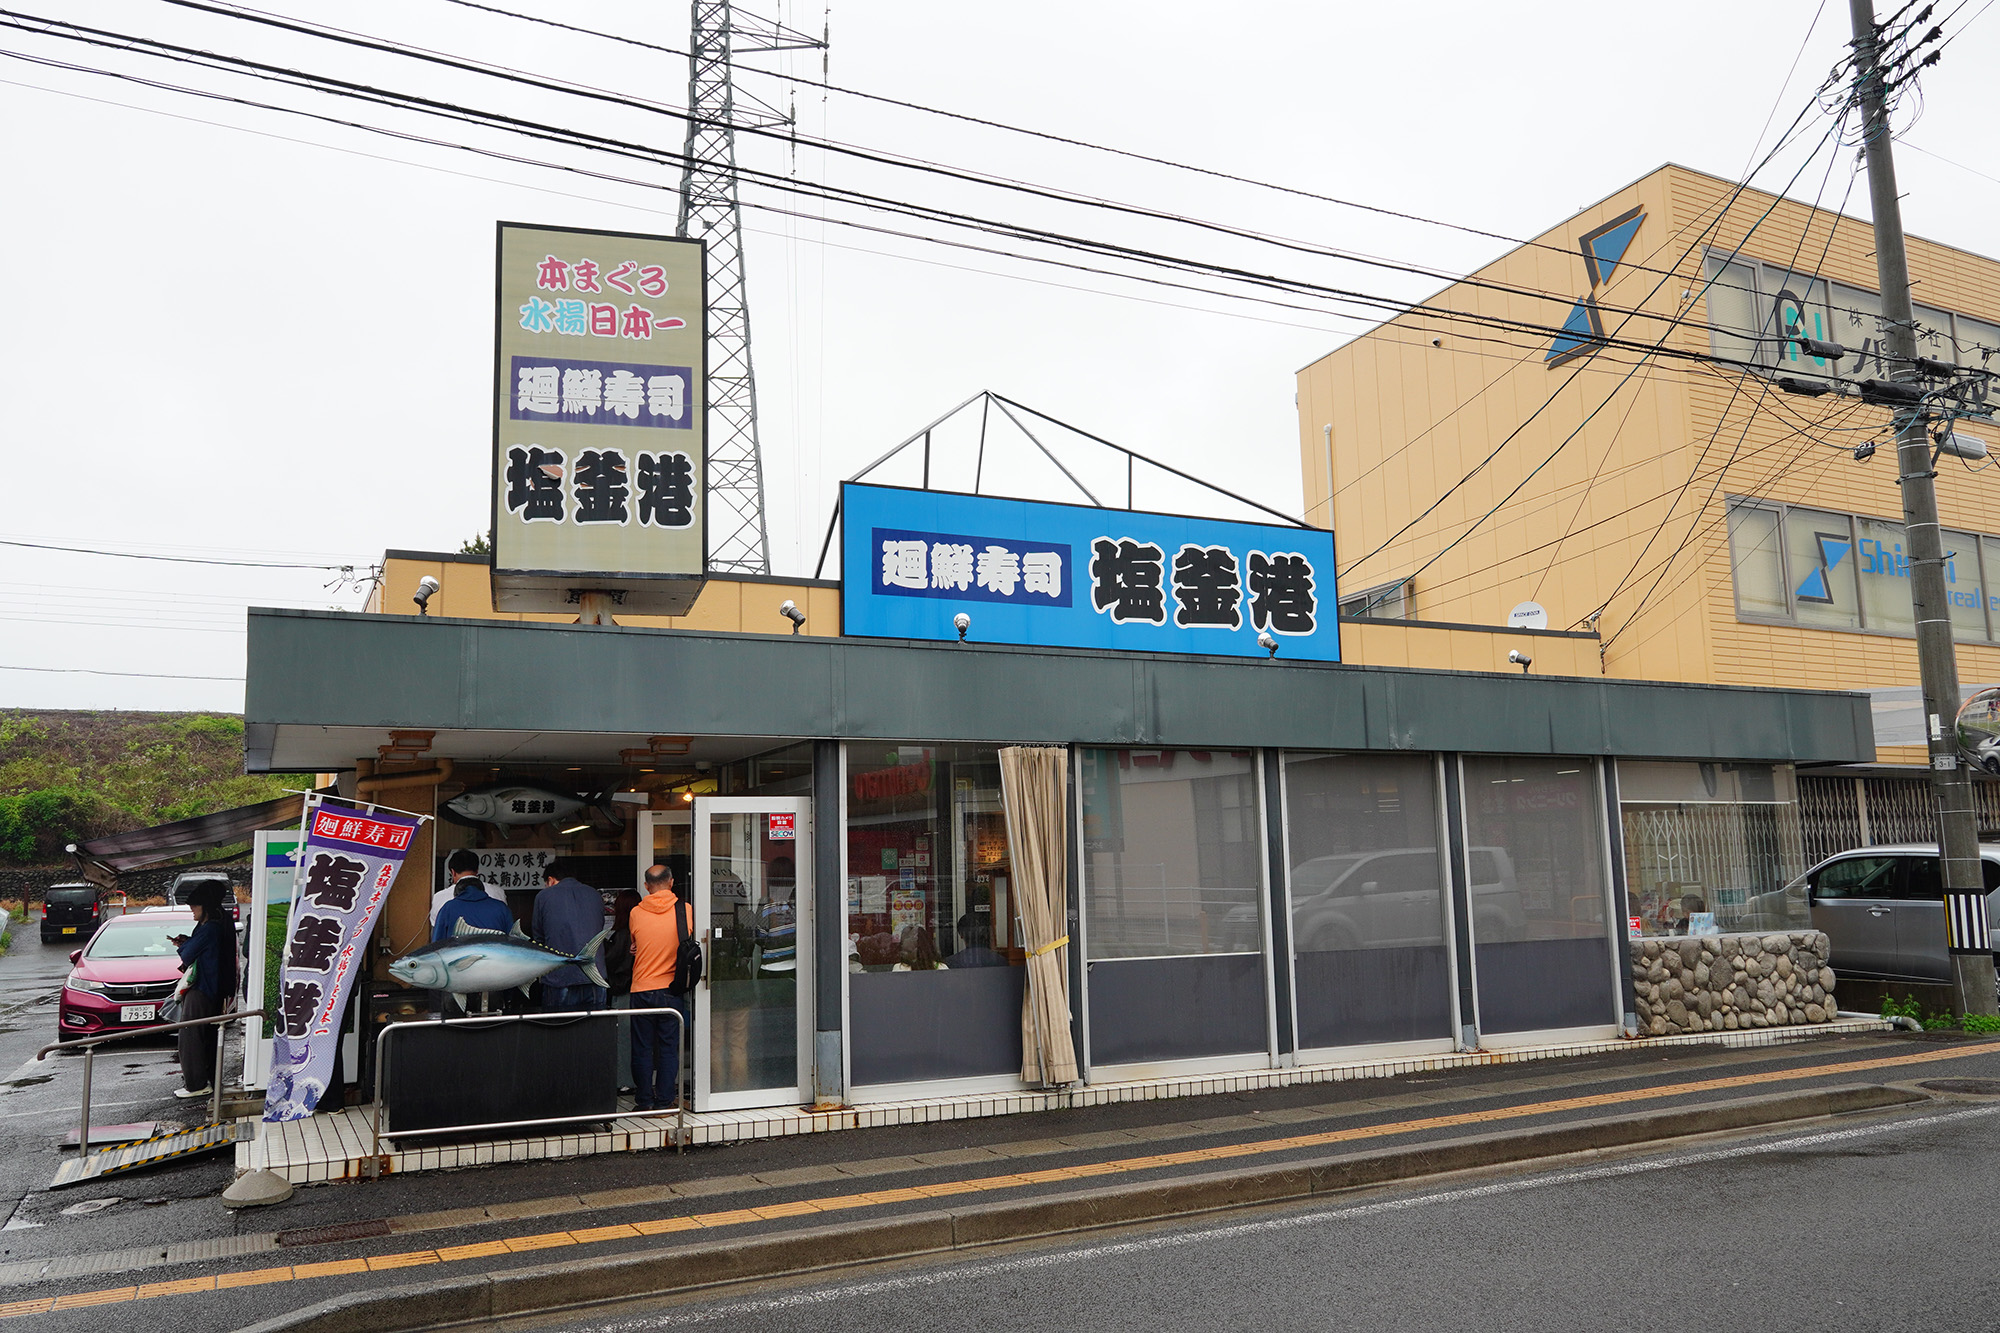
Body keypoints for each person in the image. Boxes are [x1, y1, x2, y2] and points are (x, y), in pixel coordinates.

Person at [629, 862, 694, 1112]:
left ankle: (644, 1102)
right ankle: (665, 1102)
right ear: (671, 882)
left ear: (646, 887)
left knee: (642, 1048)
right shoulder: (685, 910)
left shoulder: (636, 912)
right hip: (670, 990)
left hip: (641, 989)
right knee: (668, 1049)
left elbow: (636, 944)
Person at [169, 881, 238, 1100]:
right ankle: (207, 1079)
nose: (192, 910)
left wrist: (183, 944)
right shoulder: (223, 920)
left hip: (202, 988)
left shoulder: (209, 928)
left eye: (195, 906)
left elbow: (187, 954)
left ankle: (196, 1084)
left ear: (205, 905)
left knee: (190, 1036)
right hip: (217, 989)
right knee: (207, 1037)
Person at [432, 849, 514, 1015]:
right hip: (494, 975)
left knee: (454, 1022)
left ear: (452, 872)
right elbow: (511, 940)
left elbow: (437, 944)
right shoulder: (498, 896)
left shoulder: (443, 900)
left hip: (457, 977)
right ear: (477, 871)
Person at [533, 859, 608, 1011]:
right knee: (594, 1030)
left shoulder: (544, 896)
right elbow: (599, 927)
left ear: (550, 880)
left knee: (559, 1031)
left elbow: (538, 937)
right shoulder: (594, 894)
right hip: (594, 974)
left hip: (559, 976)